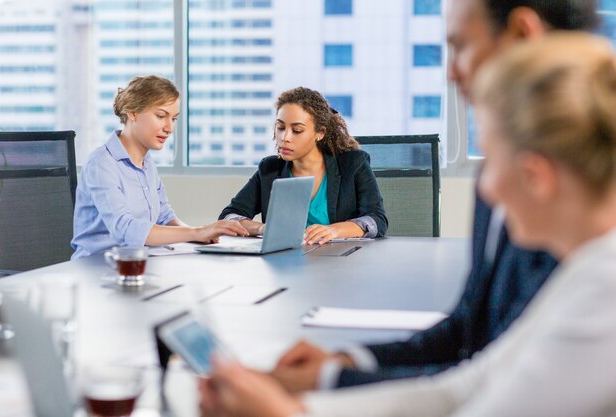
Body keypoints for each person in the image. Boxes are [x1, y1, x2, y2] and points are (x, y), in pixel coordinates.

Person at [202, 32, 616, 417]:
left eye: (490, 158)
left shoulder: (602, 293)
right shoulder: (581, 273)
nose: (485, 191)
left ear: (537, 177)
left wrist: (283, 412)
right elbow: (464, 387)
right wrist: (325, 381)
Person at [71, 75, 248, 259]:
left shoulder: (146, 163)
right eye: (161, 116)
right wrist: (196, 232)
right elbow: (126, 230)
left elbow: (164, 216)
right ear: (133, 113)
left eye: (174, 119)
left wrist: (203, 235)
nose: (169, 127)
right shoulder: (101, 164)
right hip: (97, 269)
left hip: (139, 263)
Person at [219, 87, 388, 245]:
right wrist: (264, 228)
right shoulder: (269, 169)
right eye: (280, 127)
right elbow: (229, 216)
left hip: (341, 261)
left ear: (320, 133)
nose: (285, 137)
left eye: (297, 130)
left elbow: (376, 220)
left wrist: (335, 230)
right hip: (285, 264)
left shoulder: (353, 163)